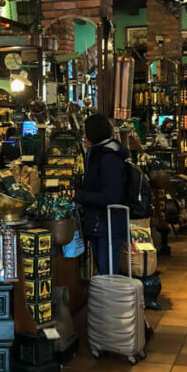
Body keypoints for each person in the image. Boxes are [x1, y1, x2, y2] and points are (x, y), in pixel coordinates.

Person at [75, 113, 129, 274]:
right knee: (104, 271)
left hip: (108, 225)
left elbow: (110, 196)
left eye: (86, 132)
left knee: (108, 273)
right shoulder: (99, 154)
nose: (83, 136)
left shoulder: (108, 158)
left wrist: (80, 196)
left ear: (95, 133)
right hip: (102, 223)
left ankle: (109, 300)